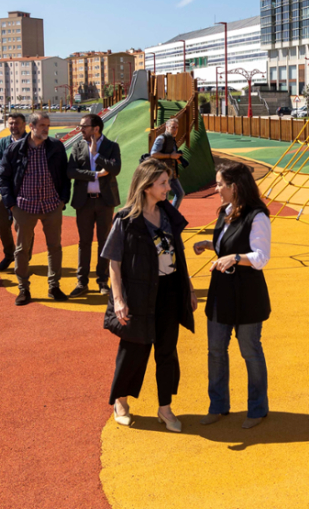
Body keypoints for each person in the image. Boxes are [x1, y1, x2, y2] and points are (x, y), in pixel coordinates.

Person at [102, 159, 197, 433]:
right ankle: (120, 401)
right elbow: (114, 262)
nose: (169, 187)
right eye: (163, 183)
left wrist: (188, 288)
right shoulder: (126, 219)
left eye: (168, 182)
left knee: (167, 352)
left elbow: (177, 254)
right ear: (147, 187)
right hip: (138, 293)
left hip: (168, 291)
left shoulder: (167, 214)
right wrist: (119, 299)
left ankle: (165, 408)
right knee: (134, 349)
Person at [193, 162, 272, 429]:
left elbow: (260, 257)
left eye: (220, 184)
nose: (216, 189)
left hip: (248, 294)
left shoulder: (257, 216)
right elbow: (228, 244)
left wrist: (235, 257)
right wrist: (210, 245)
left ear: (234, 187)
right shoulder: (225, 211)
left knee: (250, 351)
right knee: (215, 351)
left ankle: (258, 409)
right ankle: (218, 406)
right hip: (221, 293)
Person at [0, 112, 70, 306]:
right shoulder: (15, 149)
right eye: (42, 125)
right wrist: (11, 204)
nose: (46, 129)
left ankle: (54, 286)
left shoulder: (56, 146)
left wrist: (63, 199)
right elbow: (3, 178)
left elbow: (64, 175)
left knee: (54, 247)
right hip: (24, 206)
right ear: (31, 126)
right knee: (22, 249)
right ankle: (23, 289)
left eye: (48, 125)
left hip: (51, 205)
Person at [68, 113, 121, 297]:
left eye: (84, 126)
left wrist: (96, 155)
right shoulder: (77, 146)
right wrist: (95, 175)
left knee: (104, 242)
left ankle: (102, 281)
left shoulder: (111, 146)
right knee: (84, 243)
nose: (80, 129)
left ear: (96, 128)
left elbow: (115, 169)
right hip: (84, 202)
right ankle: (82, 282)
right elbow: (71, 171)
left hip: (105, 202)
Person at [0, 113, 27, 271]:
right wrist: (15, 164)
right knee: (2, 225)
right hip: (5, 192)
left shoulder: (31, 141)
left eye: (17, 123)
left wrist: (7, 165)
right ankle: (9, 253)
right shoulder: (3, 142)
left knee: (24, 227)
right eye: (11, 123)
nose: (14, 126)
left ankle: (24, 256)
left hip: (26, 192)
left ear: (24, 124)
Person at [150, 118, 185, 209]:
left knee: (180, 193)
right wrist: (170, 156)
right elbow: (153, 154)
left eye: (177, 128)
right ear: (166, 127)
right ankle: (164, 217)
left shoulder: (172, 140)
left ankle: (172, 214)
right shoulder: (161, 138)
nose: (175, 130)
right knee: (164, 197)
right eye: (173, 127)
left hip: (172, 173)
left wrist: (177, 158)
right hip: (162, 173)